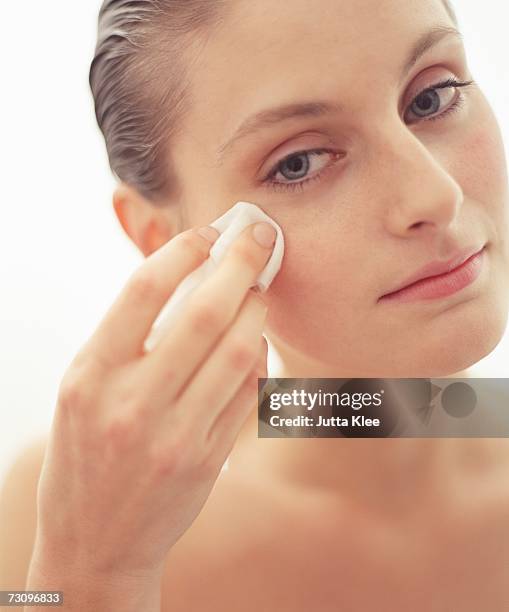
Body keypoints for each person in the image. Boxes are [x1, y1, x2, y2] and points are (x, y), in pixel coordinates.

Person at [1, 0, 508, 610]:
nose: (437, 194)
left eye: (432, 97)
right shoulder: (61, 521)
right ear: (161, 240)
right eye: (299, 162)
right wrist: (94, 573)